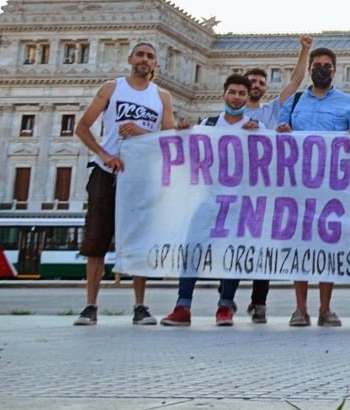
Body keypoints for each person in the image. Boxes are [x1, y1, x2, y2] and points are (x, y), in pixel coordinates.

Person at [72, 41, 177, 326]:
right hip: (106, 173)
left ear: (156, 64)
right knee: (96, 240)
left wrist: (143, 131)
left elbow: (169, 139)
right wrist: (105, 154)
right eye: (140, 55)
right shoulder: (112, 88)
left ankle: (140, 306)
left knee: (139, 239)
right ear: (130, 58)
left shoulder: (162, 97)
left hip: (142, 176)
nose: (144, 60)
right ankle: (90, 305)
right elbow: (82, 127)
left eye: (150, 56)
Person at [276, 46, 350, 327]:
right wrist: (282, 132)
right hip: (298, 183)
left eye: (327, 65)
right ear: (310, 69)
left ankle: (326, 308)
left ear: (335, 70)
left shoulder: (349, 105)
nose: (321, 69)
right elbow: (277, 135)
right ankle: (300, 308)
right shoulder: (294, 101)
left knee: (329, 245)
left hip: (333, 185)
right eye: (316, 65)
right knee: (300, 244)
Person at [161, 74, 257, 327]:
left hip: (238, 202)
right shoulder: (208, 124)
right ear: (223, 94)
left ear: (248, 98)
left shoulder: (254, 128)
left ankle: (225, 306)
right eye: (233, 92)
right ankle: (183, 305)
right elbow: (189, 156)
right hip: (206, 199)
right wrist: (181, 134)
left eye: (241, 94)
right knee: (193, 248)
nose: (237, 97)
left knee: (231, 254)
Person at [241, 34, 311, 324]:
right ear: (239, 89)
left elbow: (295, 83)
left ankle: (258, 303)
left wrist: (304, 50)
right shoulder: (223, 118)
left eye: (260, 82)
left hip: (268, 188)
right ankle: (225, 299)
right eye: (251, 83)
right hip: (235, 189)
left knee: (263, 245)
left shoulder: (272, 111)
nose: (256, 86)